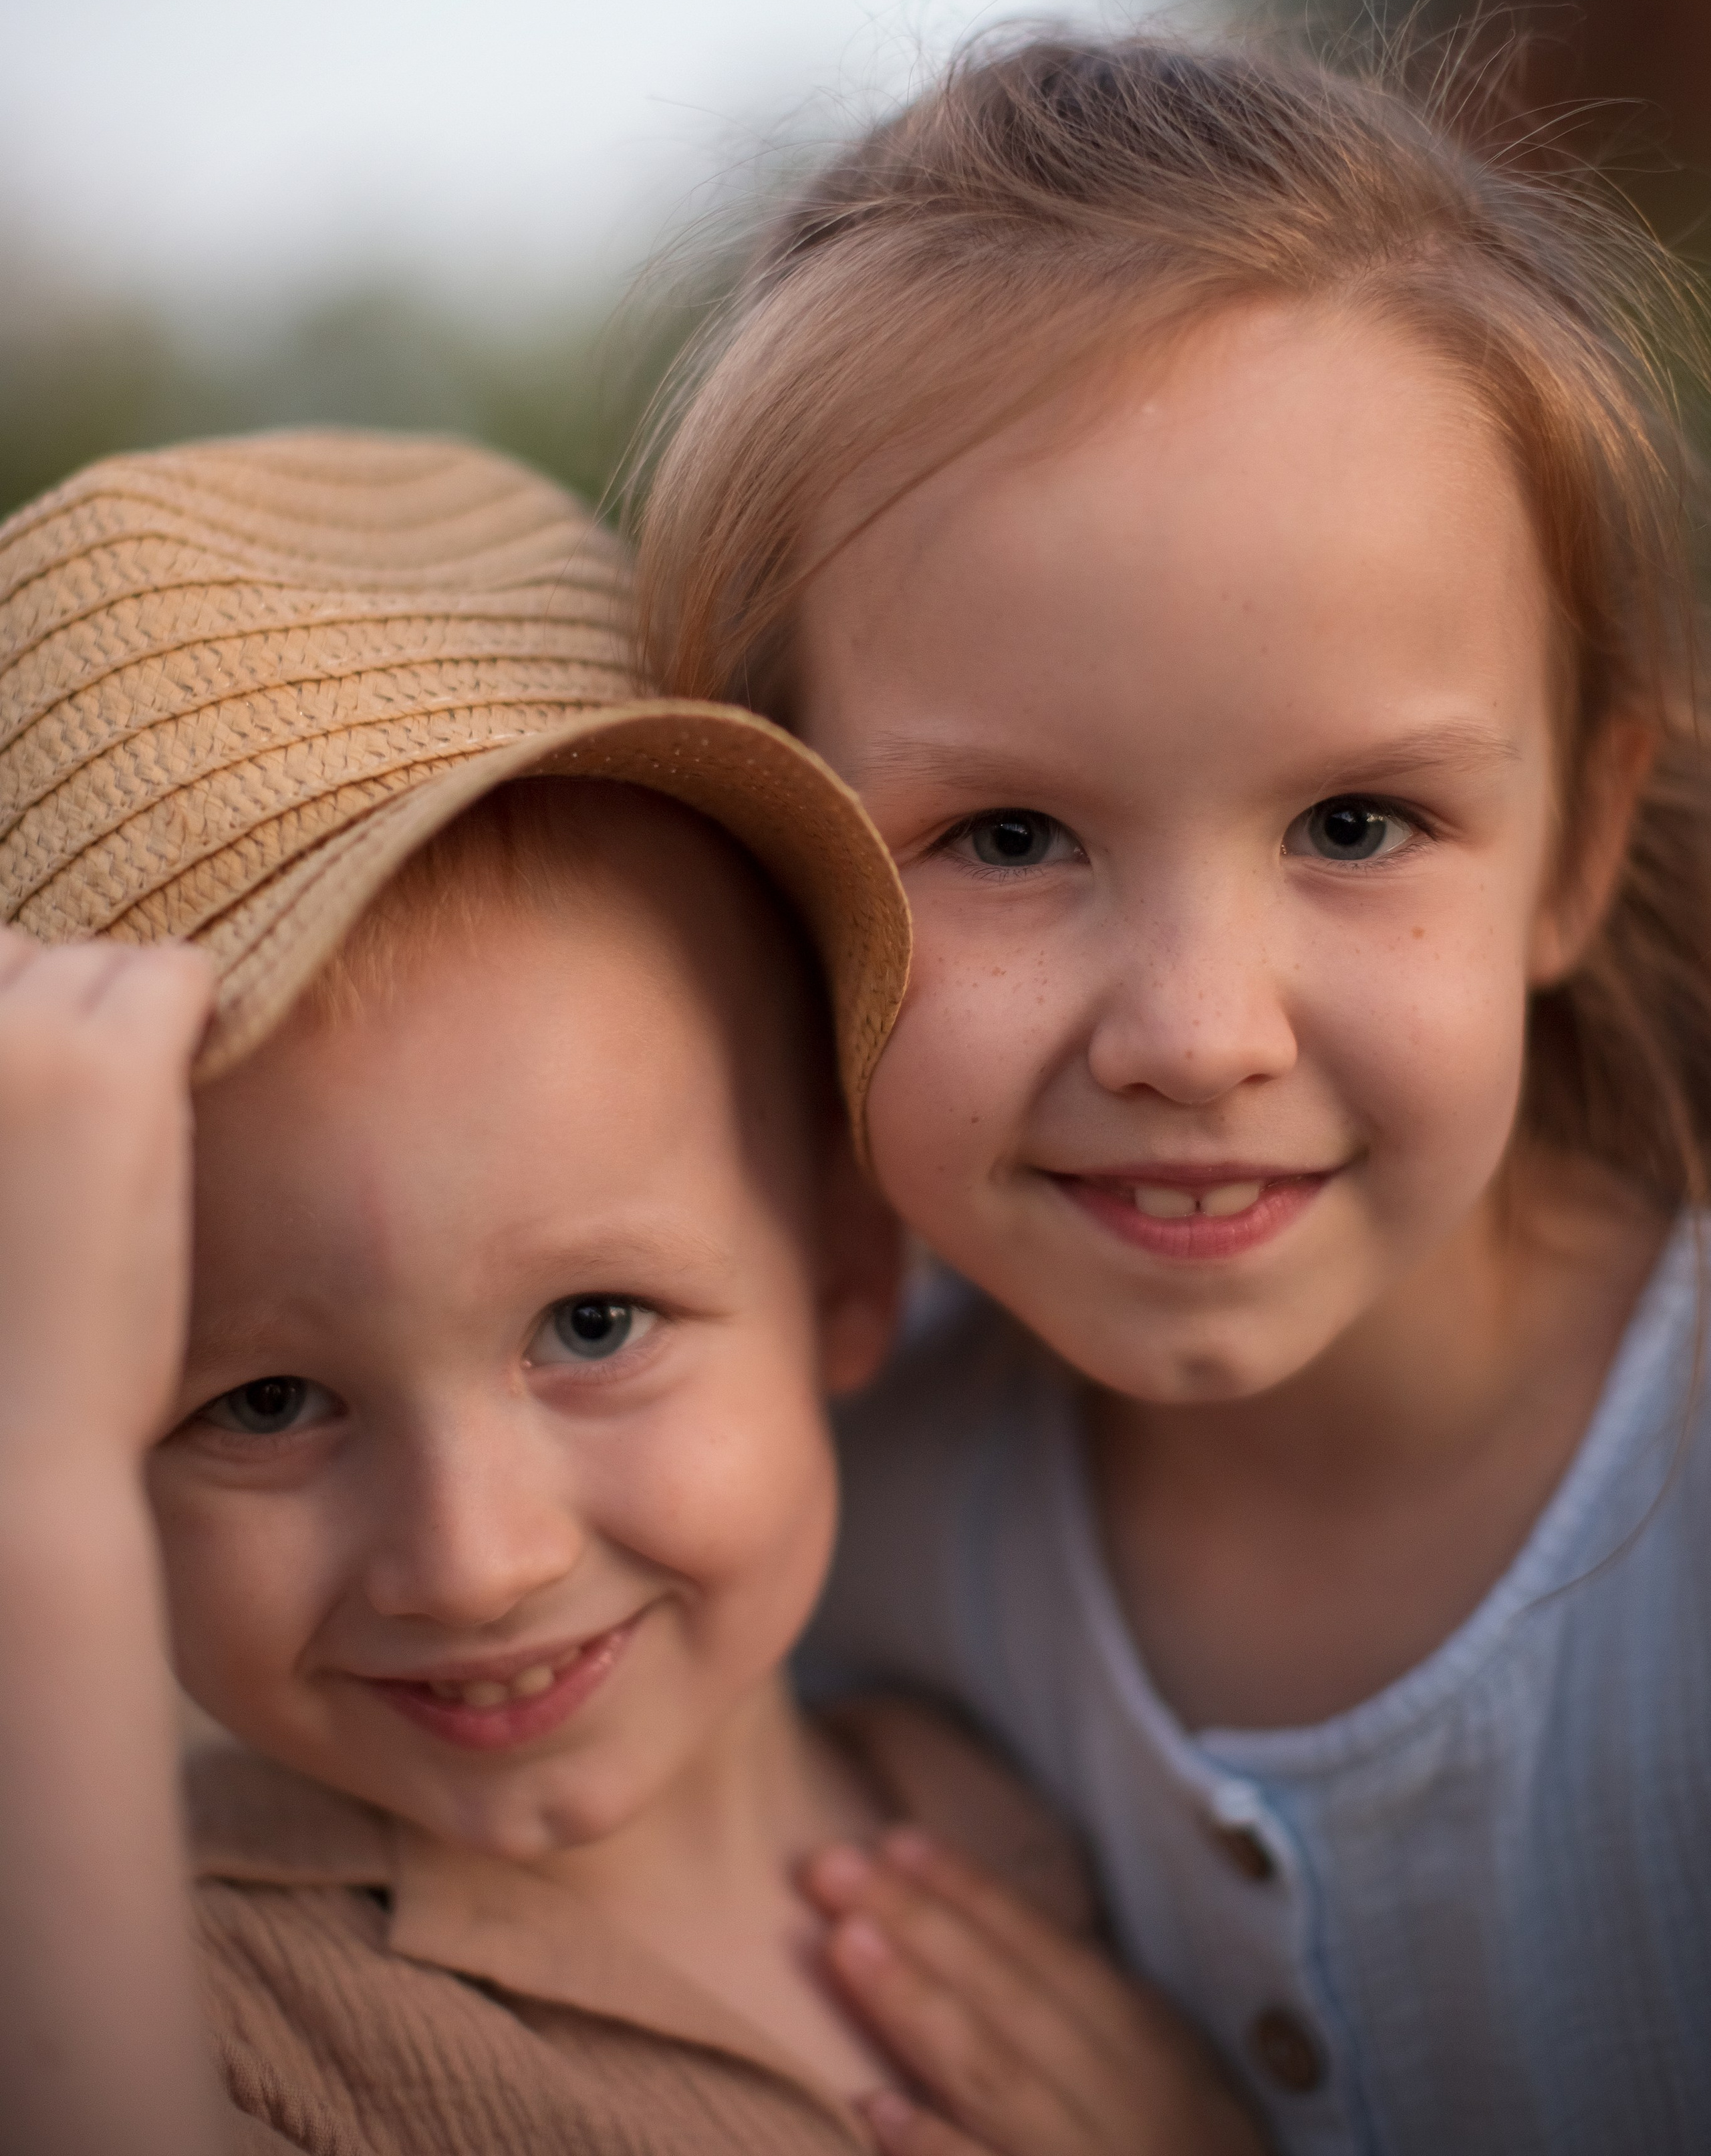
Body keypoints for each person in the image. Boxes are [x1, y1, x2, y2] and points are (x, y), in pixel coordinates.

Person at [634, 31, 1711, 2155]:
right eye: (1011, 839)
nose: (1197, 1034)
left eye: (1360, 823)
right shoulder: (816, 1525)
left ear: (1576, 851)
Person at [0, 430, 1265, 2156]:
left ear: (845, 1263)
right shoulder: (184, 2004)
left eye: (593, 1326)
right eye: (264, 1404)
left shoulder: (1004, 1818)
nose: (476, 1559)